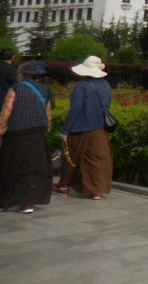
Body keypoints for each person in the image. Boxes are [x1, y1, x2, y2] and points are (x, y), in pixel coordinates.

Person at [54, 55, 113, 200]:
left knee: (70, 158)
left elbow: (75, 109)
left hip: (79, 129)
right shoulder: (106, 85)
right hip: (99, 128)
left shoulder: (81, 86)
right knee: (97, 160)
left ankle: (63, 186)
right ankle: (96, 190)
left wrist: (65, 130)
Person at [0, 62, 53, 213]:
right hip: (38, 133)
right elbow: (48, 113)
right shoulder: (44, 90)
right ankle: (28, 203)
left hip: (17, 133)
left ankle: (6, 201)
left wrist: (1, 130)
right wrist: (45, 131)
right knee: (34, 167)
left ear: (21, 74)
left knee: (11, 166)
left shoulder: (16, 89)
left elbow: (7, 111)